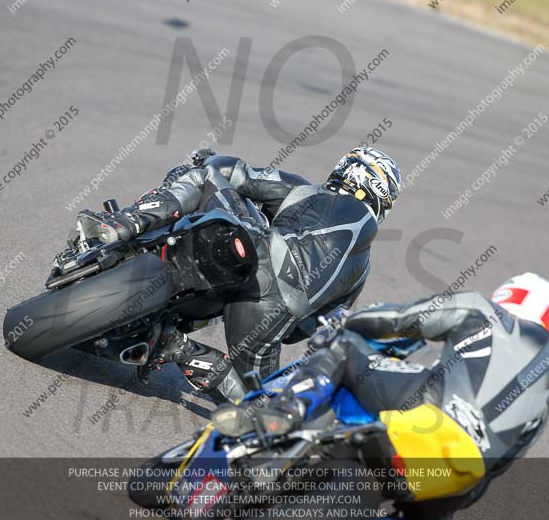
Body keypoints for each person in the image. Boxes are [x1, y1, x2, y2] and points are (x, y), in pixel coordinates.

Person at [223, 272, 549, 518]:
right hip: (458, 479)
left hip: (429, 416)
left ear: (508, 297)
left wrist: (349, 323)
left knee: (344, 348)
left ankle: (284, 413)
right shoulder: (544, 404)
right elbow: (497, 469)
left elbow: (400, 319)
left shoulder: (485, 312)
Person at [96, 146, 401, 403]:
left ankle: (127, 222)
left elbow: (238, 174)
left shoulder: (307, 192)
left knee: (206, 178)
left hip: (256, 258)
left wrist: (208, 160)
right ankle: (180, 349)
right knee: (259, 406)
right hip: (269, 318)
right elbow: (305, 330)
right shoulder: (362, 271)